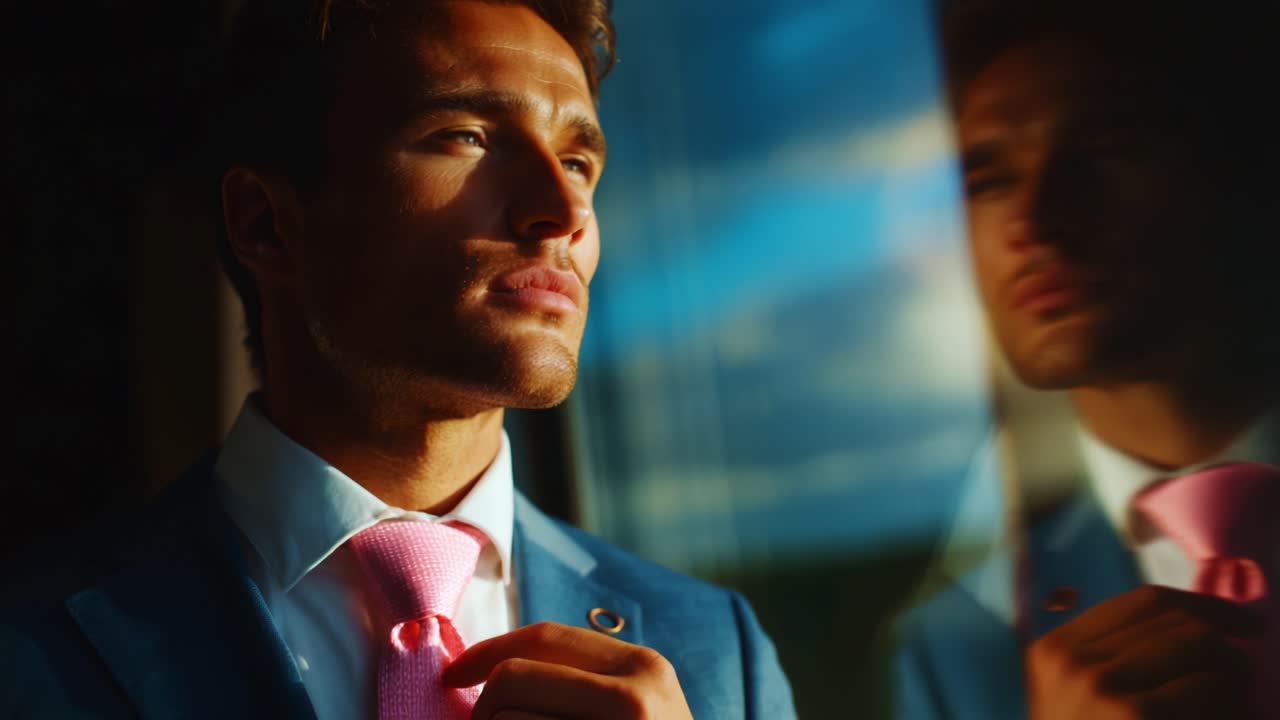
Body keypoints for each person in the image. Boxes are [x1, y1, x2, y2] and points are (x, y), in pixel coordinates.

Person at [0, 2, 796, 718]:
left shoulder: (717, 657)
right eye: (467, 137)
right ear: (268, 224)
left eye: (579, 162)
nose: (562, 212)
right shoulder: (28, 646)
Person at [895, 1, 1280, 717]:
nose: (1035, 221)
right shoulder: (961, 646)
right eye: (989, 181)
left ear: (1239, 166)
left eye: (1103, 151)